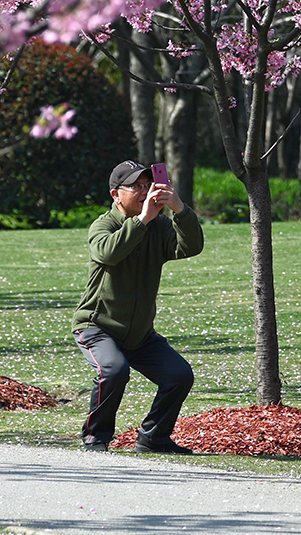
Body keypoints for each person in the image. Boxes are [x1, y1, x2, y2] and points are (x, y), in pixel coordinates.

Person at [72, 160, 205, 454]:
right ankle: (96, 438)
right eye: (136, 187)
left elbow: (190, 247)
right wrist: (142, 220)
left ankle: (153, 438)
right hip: (97, 327)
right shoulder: (103, 225)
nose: (144, 192)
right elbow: (107, 253)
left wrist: (180, 210)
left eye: (148, 185)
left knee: (179, 375)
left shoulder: (158, 226)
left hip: (139, 334)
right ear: (115, 194)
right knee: (114, 370)